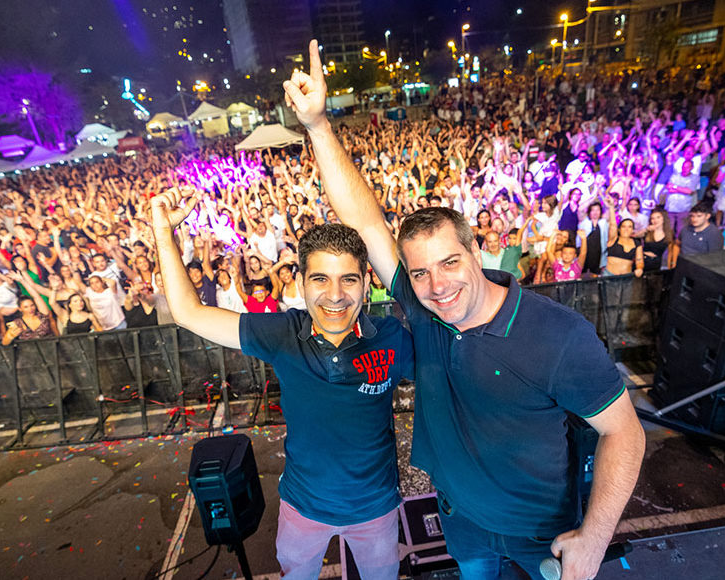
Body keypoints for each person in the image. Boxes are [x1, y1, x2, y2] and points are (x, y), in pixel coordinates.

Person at [284, 39, 645, 580]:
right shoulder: (424, 310)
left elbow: (625, 433)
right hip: (461, 522)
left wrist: (594, 538)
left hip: (540, 533)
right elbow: (364, 222)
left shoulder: (558, 334)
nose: (437, 285)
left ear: (476, 253)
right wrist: (317, 126)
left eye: (450, 262)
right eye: (420, 272)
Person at [150, 189, 414, 580]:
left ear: (366, 283)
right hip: (302, 509)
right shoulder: (282, 333)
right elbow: (188, 313)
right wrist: (163, 232)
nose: (336, 296)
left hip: (375, 510)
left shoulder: (392, 336)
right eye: (320, 279)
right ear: (301, 282)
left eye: (349, 279)